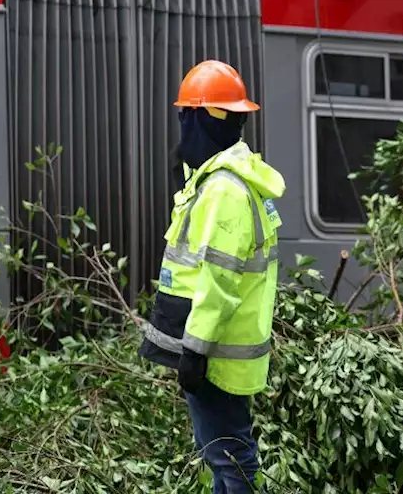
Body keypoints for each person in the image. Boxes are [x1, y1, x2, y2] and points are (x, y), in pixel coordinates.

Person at [137, 59, 286, 493]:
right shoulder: (219, 180)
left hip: (217, 351)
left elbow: (218, 281)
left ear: (197, 119)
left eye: (186, 117)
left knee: (230, 458)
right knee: (220, 455)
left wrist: (196, 351)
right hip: (218, 346)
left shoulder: (225, 190)